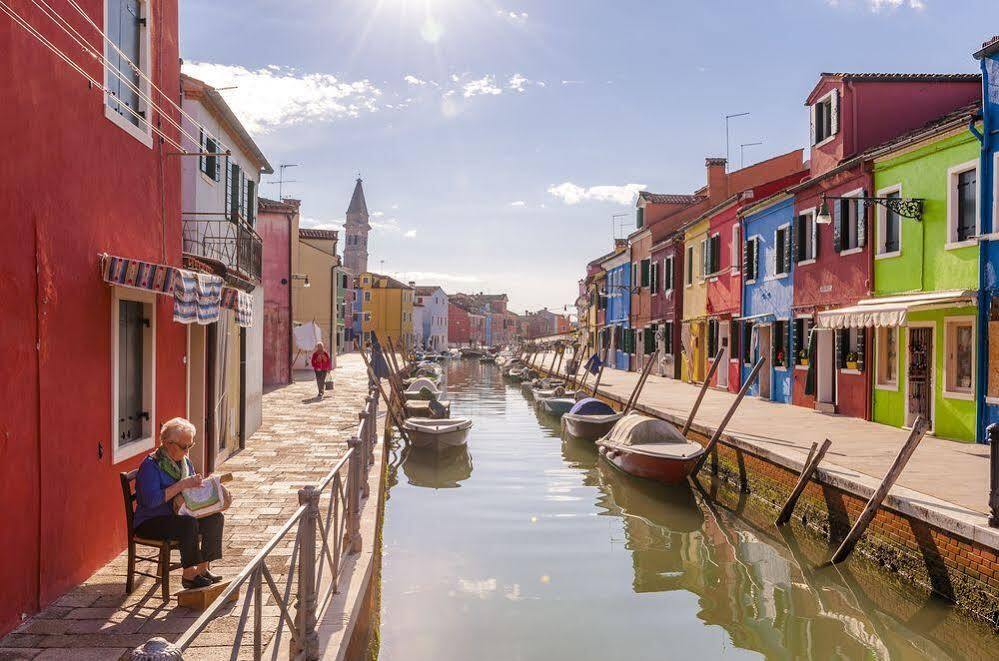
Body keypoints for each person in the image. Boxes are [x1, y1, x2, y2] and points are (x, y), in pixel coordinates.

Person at [134, 418, 224, 590]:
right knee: (188, 524)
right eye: (185, 447)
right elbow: (150, 501)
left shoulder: (184, 462)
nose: (188, 451)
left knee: (215, 518)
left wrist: (202, 487)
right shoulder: (151, 465)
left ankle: (203, 569)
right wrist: (182, 485)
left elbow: (189, 490)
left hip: (179, 514)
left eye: (190, 445)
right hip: (151, 520)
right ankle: (189, 575)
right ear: (168, 444)